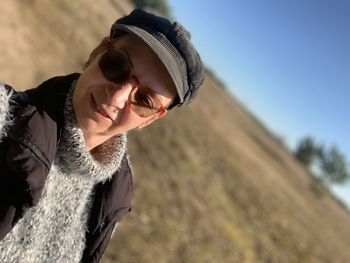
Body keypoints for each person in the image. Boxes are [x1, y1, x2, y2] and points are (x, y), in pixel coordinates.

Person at [0, 8, 204, 263]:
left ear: (151, 118)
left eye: (144, 99)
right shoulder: (4, 118)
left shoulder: (115, 195)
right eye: (117, 65)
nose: (116, 98)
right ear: (97, 52)